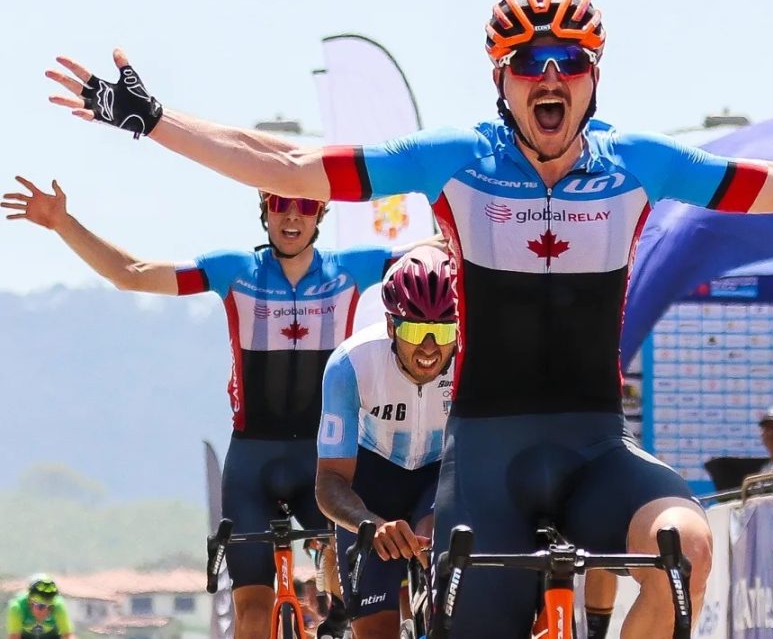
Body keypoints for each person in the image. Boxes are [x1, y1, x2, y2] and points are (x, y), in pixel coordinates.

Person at [46, 0, 773, 637]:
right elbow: (290, 163)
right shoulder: (456, 163)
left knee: (689, 546)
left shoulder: (637, 164)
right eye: (531, 65)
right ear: (503, 82)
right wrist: (149, 120)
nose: (551, 78)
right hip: (483, 456)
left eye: (570, 64)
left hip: (595, 445)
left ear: (594, 76)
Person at [0, 178, 401, 639]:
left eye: (305, 205)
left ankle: (335, 620)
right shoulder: (235, 271)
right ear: (265, 211)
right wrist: (62, 223)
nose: (293, 215)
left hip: (322, 461)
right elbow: (131, 272)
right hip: (251, 462)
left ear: (320, 215)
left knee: (347, 589)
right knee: (251, 612)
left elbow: (439, 251)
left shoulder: (354, 267)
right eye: (280, 204)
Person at [315, 246, 456, 639]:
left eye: (443, 331)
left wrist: (439, 514)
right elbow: (328, 482)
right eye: (414, 330)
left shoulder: (474, 361)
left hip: (440, 476)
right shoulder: (351, 364)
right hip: (372, 486)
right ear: (392, 326)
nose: (429, 348)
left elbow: (485, 459)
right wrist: (369, 525)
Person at [6, 576, 74, 639]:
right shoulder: (17, 607)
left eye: (50, 607)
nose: (45, 611)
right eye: (41, 606)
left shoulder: (58, 605)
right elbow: (14, 637)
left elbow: (68, 635)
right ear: (30, 603)